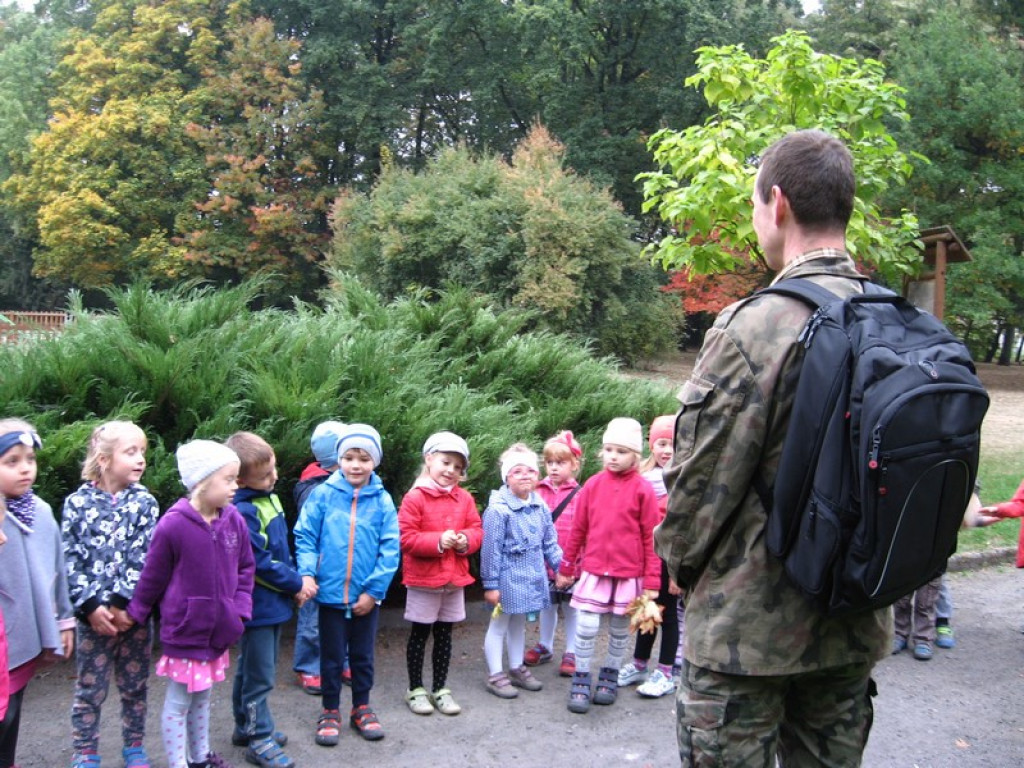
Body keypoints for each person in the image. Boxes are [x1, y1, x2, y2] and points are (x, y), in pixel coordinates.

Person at [656, 130, 892, 766]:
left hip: (746, 637)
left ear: (778, 203)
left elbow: (700, 488)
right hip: (853, 621)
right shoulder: (893, 318)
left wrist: (677, 569)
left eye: (755, 204)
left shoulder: (754, 325)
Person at [127, 440, 256, 768]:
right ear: (201, 481)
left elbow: (245, 567)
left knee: (203, 697)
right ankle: (178, 763)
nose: (234, 487)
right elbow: (153, 576)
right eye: (227, 480)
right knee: (180, 700)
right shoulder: (173, 524)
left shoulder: (233, 520)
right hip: (186, 630)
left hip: (220, 630)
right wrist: (136, 612)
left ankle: (199, 756)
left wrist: (240, 609)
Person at [293, 424, 399, 746]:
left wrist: (374, 592)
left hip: (366, 597)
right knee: (331, 656)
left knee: (363, 656)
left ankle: (362, 707)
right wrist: (307, 574)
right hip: (328, 596)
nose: (355, 465)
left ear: (375, 462)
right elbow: (305, 536)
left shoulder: (382, 501)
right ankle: (329, 710)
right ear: (338, 460)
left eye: (363, 458)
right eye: (349, 457)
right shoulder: (324, 495)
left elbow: (390, 548)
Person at [62, 421, 159, 768]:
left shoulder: (145, 503)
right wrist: (90, 607)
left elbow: (144, 557)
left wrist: (122, 605)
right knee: (90, 690)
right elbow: (70, 558)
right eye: (130, 452)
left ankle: (134, 746)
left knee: (135, 686)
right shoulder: (76, 504)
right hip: (93, 621)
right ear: (103, 459)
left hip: (133, 617)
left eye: (142, 452)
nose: (140, 459)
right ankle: (85, 751)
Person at [555, 418, 660, 714]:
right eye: (608, 449)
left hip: (629, 574)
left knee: (618, 629)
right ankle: (581, 677)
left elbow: (651, 538)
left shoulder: (643, 490)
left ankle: (609, 676)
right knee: (586, 626)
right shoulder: (593, 485)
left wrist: (652, 583)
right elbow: (579, 528)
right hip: (594, 569)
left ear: (635, 456)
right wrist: (567, 567)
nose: (613, 456)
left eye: (621, 451)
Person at [225, 432, 311, 768]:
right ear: (240, 479)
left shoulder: (268, 497)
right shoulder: (243, 509)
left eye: (273, 469)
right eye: (264, 475)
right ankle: (259, 738)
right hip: (257, 604)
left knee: (252, 666)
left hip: (275, 602)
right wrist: (295, 584)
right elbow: (258, 562)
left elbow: (282, 548)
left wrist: (293, 582)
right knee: (259, 672)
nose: (273, 477)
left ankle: (244, 726)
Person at [0, 419, 76, 768]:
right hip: (3, 639)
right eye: (11, 461)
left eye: (29, 459)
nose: (24, 468)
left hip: (25, 636)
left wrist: (63, 620)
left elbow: (58, 570)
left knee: (13, 710)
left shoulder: (41, 512)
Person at [399, 431, 482, 716]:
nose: (451, 471)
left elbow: (476, 530)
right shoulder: (415, 497)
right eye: (446, 462)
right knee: (420, 634)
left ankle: (440, 688)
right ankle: (414, 688)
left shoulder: (465, 498)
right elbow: (406, 538)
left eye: (458, 467)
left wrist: (465, 541)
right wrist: (437, 541)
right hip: (424, 581)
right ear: (429, 459)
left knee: (445, 635)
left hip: (453, 579)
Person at [481, 444, 562, 699]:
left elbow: (550, 542)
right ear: (506, 477)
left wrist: (563, 568)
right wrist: (491, 584)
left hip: (530, 577)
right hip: (507, 578)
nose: (525, 475)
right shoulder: (498, 510)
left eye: (530, 470)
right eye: (517, 471)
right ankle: (495, 674)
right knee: (499, 624)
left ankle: (516, 666)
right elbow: (491, 550)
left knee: (519, 623)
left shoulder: (540, 507)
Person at [619, 414, 681, 698]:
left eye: (673, 444)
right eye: (662, 443)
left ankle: (666, 672)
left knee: (667, 617)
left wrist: (680, 571)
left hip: (670, 560)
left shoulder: (682, 482)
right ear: (652, 446)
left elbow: (684, 528)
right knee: (646, 613)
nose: (667, 450)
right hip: (644, 559)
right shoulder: (642, 480)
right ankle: (640, 664)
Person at [291, 420, 346, 696]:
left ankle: (341, 660)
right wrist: (308, 570)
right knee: (312, 618)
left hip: (343, 564)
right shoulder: (314, 488)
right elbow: (309, 533)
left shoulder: (348, 482)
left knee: (343, 614)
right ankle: (309, 666)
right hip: (320, 564)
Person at [527, 431, 583, 677]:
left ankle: (573, 650)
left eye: (561, 463)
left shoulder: (581, 494)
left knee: (572, 608)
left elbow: (584, 532)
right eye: (550, 463)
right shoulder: (537, 491)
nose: (554, 468)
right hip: (542, 563)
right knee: (547, 606)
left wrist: (574, 566)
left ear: (574, 465)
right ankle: (545, 645)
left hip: (571, 564)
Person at [892, 577, 942, 661]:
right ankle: (899, 633)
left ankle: (924, 639)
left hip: (930, 565)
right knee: (900, 599)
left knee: (926, 600)